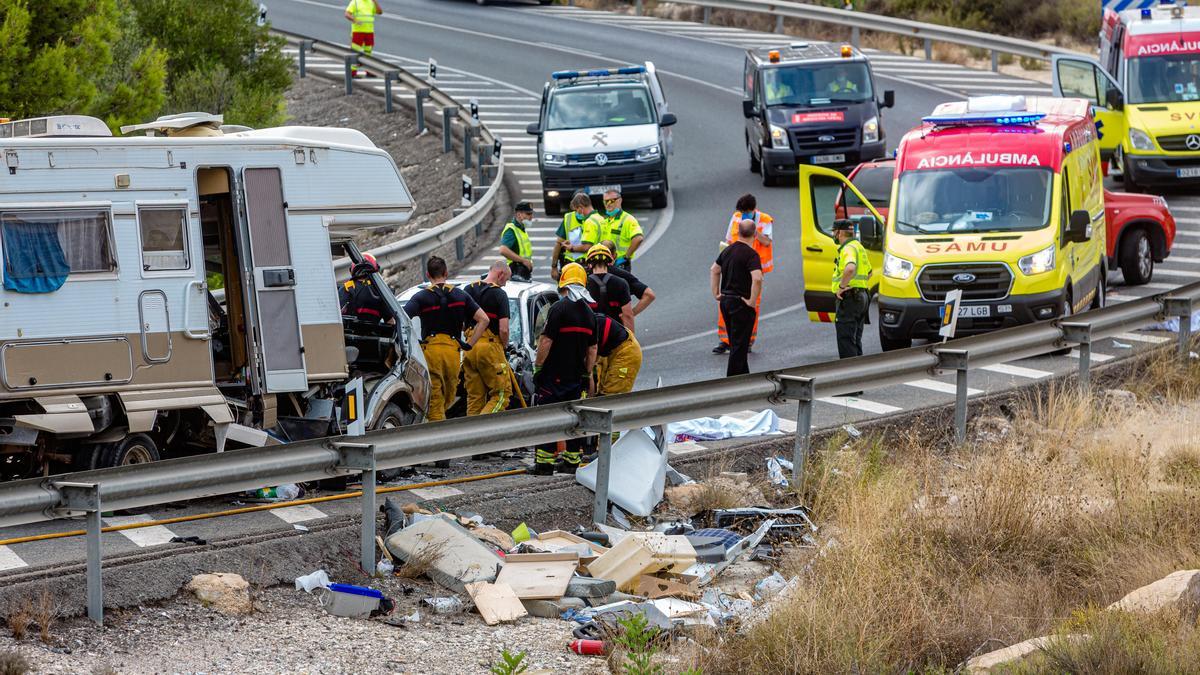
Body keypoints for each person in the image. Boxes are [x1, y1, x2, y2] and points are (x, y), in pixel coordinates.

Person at [530, 263, 598, 475]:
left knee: (548, 417)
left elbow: (546, 341)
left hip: (553, 375)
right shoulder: (590, 314)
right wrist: (587, 373)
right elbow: (593, 348)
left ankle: (544, 465)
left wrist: (538, 367)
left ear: (564, 282)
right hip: (575, 377)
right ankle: (571, 463)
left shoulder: (558, 308)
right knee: (573, 419)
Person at [402, 257, 489, 422]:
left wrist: (412, 343)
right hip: (453, 353)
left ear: (427, 274)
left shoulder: (421, 297)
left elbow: (402, 319)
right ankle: (439, 429)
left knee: (435, 399)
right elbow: (484, 319)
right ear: (446, 273)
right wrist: (469, 344)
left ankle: (437, 437)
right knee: (448, 397)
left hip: (431, 353)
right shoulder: (460, 296)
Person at [715, 194, 773, 354]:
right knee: (728, 301)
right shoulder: (736, 217)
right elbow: (728, 239)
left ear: (753, 210)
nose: (743, 215)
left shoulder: (765, 220)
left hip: (753, 268)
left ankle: (747, 341)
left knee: (752, 304)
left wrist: (753, 230)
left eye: (745, 213)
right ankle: (725, 340)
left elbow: (767, 241)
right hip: (735, 265)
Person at [710, 219, 763, 377]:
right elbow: (758, 278)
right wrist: (752, 301)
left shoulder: (727, 251)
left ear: (738, 232)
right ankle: (732, 382)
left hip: (726, 301)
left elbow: (714, 270)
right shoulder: (751, 254)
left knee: (736, 342)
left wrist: (716, 293)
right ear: (754, 234)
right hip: (741, 303)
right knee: (740, 345)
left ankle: (744, 378)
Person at [462, 261, 513, 416]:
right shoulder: (499, 294)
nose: (505, 284)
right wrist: (503, 347)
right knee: (502, 394)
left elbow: (463, 324)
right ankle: (484, 428)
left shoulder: (467, 290)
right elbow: (503, 329)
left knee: (475, 398)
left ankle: (471, 437)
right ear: (501, 274)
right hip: (490, 349)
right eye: (506, 280)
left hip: (470, 347)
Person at [831, 219, 872, 360]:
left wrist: (842, 287)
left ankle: (849, 375)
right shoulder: (858, 246)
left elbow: (850, 268)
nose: (833, 235)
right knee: (855, 340)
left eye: (834, 232)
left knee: (846, 340)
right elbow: (869, 273)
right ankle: (859, 373)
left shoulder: (848, 248)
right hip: (862, 296)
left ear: (839, 233)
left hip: (850, 298)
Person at [598, 240, 656, 317]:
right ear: (615, 256)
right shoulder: (622, 275)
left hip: (592, 324)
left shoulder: (585, 273)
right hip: (616, 324)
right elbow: (649, 295)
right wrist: (630, 314)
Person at [551, 192, 602, 280]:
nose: (576, 212)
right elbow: (559, 243)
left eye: (576, 209)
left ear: (581, 207)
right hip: (589, 265)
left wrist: (571, 248)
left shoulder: (590, 221)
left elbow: (586, 247)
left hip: (584, 265)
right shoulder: (600, 219)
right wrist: (554, 266)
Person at [584, 244, 634, 331]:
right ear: (610, 262)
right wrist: (630, 340)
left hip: (591, 336)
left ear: (589, 265)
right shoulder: (621, 283)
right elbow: (628, 315)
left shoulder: (583, 284)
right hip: (615, 334)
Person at [594, 312, 642, 397]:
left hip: (625, 351)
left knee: (611, 396)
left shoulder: (584, 326)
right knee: (597, 392)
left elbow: (588, 368)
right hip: (605, 351)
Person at [339, 253, 396, 324]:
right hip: (374, 333)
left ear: (352, 270)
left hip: (346, 333)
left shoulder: (346, 288)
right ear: (375, 269)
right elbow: (390, 321)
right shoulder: (382, 290)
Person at [598, 188, 644, 272]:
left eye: (612, 200)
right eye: (605, 201)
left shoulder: (628, 219)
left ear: (620, 200)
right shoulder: (605, 221)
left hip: (619, 265)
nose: (608, 204)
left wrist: (626, 257)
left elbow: (638, 238)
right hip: (605, 264)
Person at [344, 0, 382, 78]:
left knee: (368, 52)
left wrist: (375, 1)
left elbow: (379, 12)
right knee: (355, 52)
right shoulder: (355, 2)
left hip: (369, 31)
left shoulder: (371, 2)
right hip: (358, 31)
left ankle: (369, 71)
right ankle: (352, 73)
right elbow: (347, 14)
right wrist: (355, 20)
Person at [500, 201, 536, 281]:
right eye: (528, 214)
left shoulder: (521, 229)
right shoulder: (511, 229)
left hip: (523, 273)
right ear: (519, 214)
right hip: (516, 272)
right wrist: (523, 261)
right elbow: (503, 250)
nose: (531, 217)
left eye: (531, 214)